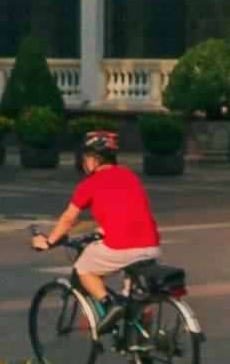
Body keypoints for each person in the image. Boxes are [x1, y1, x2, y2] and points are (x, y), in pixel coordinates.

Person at [35, 122, 162, 318]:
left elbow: (68, 219)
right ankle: (140, 343)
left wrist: (48, 241)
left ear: (93, 159)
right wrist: (103, 231)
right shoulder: (130, 176)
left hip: (122, 247)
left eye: (85, 158)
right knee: (136, 299)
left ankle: (109, 304)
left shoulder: (89, 184)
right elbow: (129, 212)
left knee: (84, 268)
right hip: (151, 246)